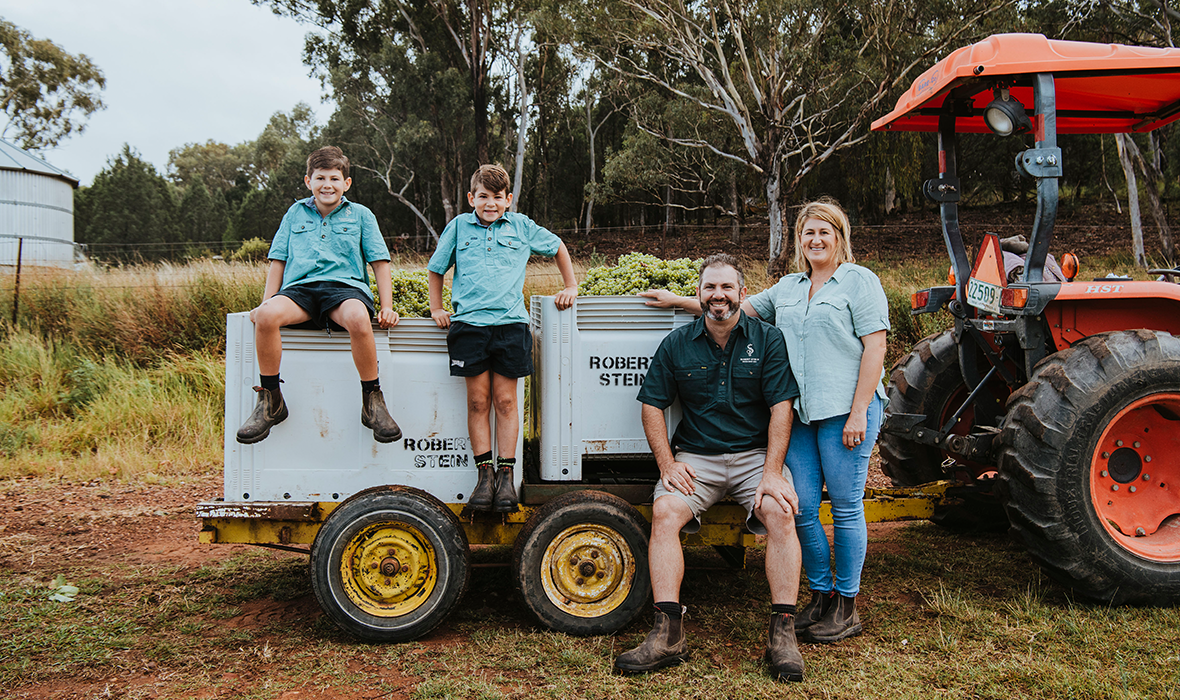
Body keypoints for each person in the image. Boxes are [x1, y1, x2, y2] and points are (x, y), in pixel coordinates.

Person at [640, 198, 888, 644]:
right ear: (798, 239)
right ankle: (819, 596)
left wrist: (858, 412)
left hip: (846, 411)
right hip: (803, 414)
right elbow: (736, 310)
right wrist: (679, 300)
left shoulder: (859, 282)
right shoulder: (789, 288)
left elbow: (875, 348)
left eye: (824, 232)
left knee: (847, 507)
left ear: (839, 238)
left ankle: (846, 604)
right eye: (808, 233)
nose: (815, 240)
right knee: (804, 507)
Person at [615, 254, 806, 682]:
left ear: (742, 293)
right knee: (664, 513)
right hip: (696, 458)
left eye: (726, 287)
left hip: (755, 456)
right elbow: (651, 407)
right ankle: (668, 632)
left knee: (780, 511)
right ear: (699, 294)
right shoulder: (677, 343)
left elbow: (781, 408)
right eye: (709, 288)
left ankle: (783, 632)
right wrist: (667, 464)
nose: (717, 295)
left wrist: (773, 472)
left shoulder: (768, 339)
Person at [427, 164, 578, 512]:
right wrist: (437, 307)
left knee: (506, 402)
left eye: (497, 197)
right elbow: (436, 269)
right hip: (469, 326)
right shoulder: (458, 227)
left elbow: (557, 247)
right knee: (478, 402)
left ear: (508, 200)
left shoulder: (521, 227)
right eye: (483, 196)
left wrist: (570, 285)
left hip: (510, 326)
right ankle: (484, 476)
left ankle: (507, 477)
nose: (490, 203)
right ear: (471, 198)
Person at [237, 145, 402, 445]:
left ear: (346, 183)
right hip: (300, 290)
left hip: (344, 289)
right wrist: (265, 302)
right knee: (267, 316)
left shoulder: (361, 215)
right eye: (321, 178)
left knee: (357, 318)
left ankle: (372, 400)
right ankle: (271, 401)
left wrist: (387, 306)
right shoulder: (294, 213)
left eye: (335, 179)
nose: (328, 185)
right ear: (308, 181)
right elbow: (278, 260)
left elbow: (380, 262)